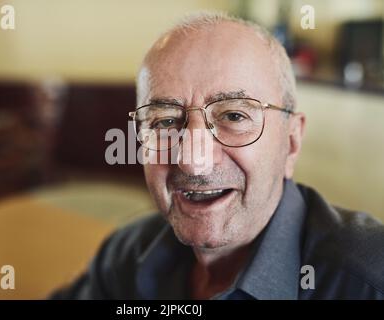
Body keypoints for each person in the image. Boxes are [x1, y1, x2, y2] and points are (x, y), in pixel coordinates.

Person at [52, 12, 384, 300]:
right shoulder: (125, 258)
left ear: (291, 141)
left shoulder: (368, 283)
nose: (193, 161)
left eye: (234, 117)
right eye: (165, 121)